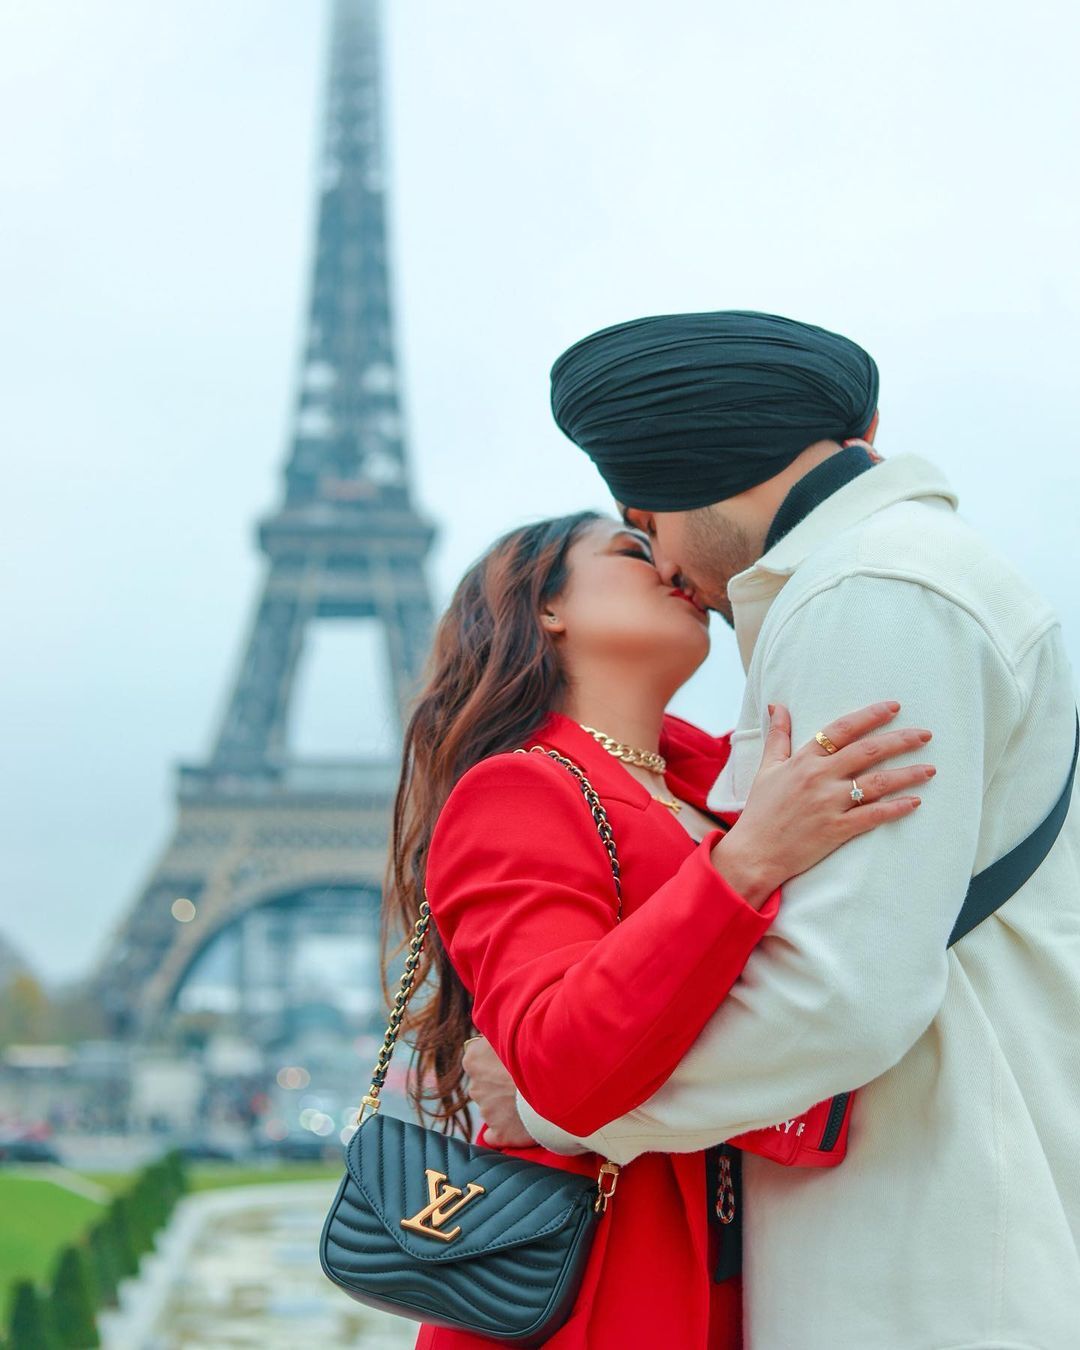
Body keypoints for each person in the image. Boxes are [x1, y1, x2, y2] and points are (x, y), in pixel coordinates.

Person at [469, 310, 1080, 1347]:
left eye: (639, 519)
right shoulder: (892, 579)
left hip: (918, 1256)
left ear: (682, 476)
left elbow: (835, 996)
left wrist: (551, 1109)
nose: (662, 560)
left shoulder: (866, 593)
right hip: (930, 1228)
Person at [385, 508, 934, 1349]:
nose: (672, 568)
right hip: (591, 1285)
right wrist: (744, 865)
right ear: (546, 607)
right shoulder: (518, 788)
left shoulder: (727, 787)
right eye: (630, 549)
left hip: (728, 1259)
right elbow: (561, 1058)